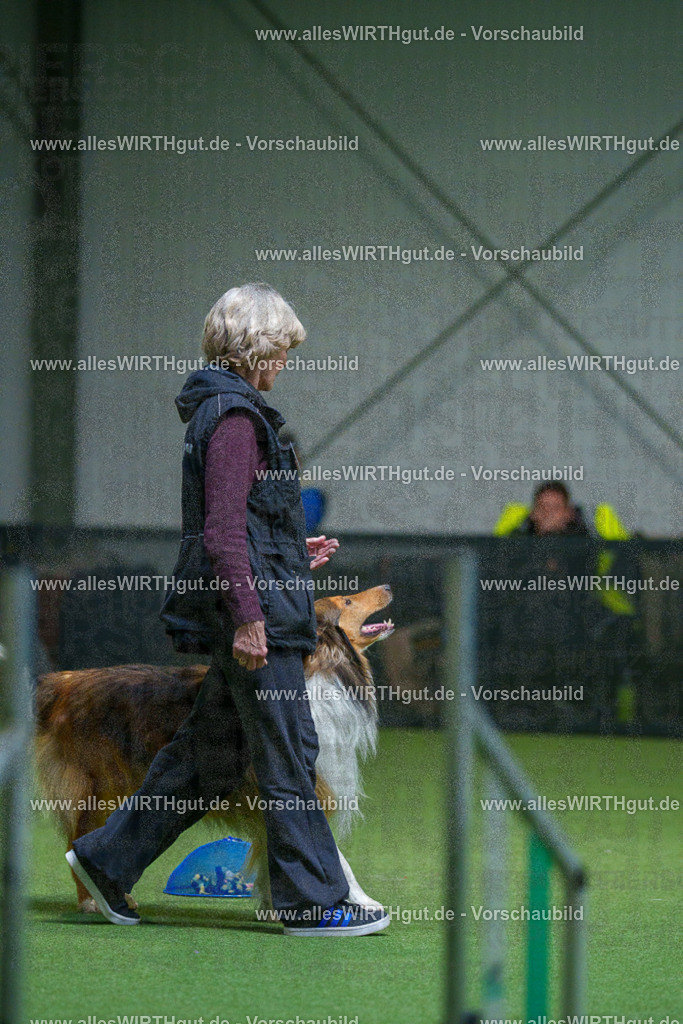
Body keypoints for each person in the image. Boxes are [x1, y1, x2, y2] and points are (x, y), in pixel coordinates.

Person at [67, 283, 390, 937]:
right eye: (281, 348)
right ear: (255, 347)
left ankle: (105, 860)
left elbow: (240, 526)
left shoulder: (221, 411)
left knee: (206, 758)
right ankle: (311, 903)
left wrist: (291, 552)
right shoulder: (236, 419)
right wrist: (248, 616)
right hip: (259, 621)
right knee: (288, 753)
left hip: (256, 603)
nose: (285, 361)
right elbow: (220, 532)